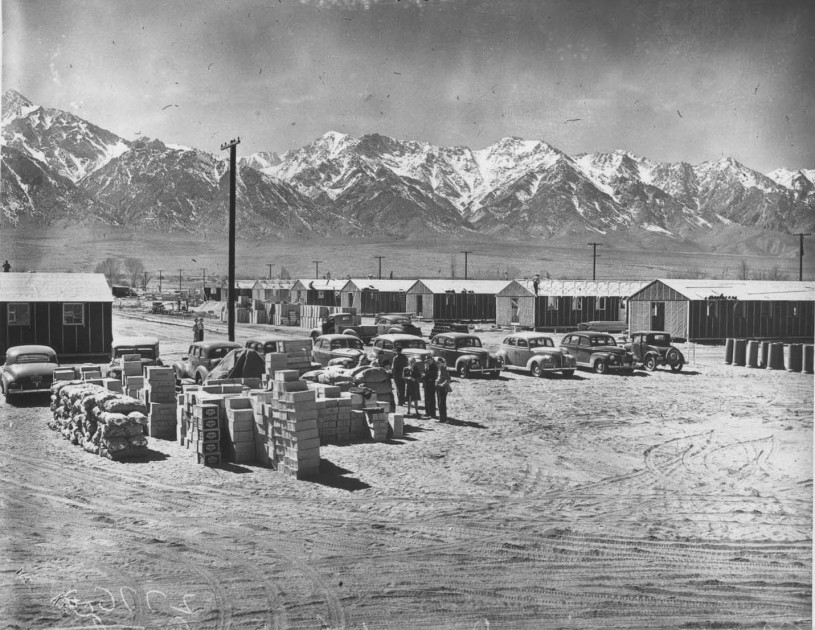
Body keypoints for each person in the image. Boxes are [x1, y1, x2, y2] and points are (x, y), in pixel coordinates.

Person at [435, 357, 452, 423]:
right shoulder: (439, 370)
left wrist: (442, 384)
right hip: (439, 387)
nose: (438, 364)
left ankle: (443, 418)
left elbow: (448, 379)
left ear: (442, 363)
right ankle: (441, 418)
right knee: (440, 403)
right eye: (437, 363)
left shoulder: (444, 370)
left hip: (443, 388)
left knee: (442, 403)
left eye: (439, 363)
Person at [423, 354, 438, 419]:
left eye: (429, 360)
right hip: (426, 383)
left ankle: (432, 413)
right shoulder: (427, 366)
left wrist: (424, 375)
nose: (428, 362)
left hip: (431, 383)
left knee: (431, 399)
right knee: (426, 398)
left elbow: (432, 375)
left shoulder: (434, 366)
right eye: (427, 361)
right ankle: (427, 412)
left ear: (432, 360)